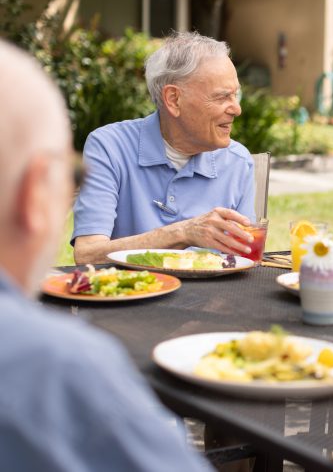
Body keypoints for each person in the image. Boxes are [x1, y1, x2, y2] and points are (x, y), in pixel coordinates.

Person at [0, 41, 211, 471]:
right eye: (70, 176)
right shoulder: (57, 365)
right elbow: (87, 252)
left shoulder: (235, 159)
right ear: (36, 194)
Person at [72, 31, 256, 265]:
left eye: (235, 95)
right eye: (222, 97)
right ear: (173, 100)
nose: (236, 109)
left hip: (211, 300)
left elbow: (246, 259)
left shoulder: (238, 162)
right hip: (132, 298)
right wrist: (182, 232)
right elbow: (87, 254)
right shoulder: (109, 147)